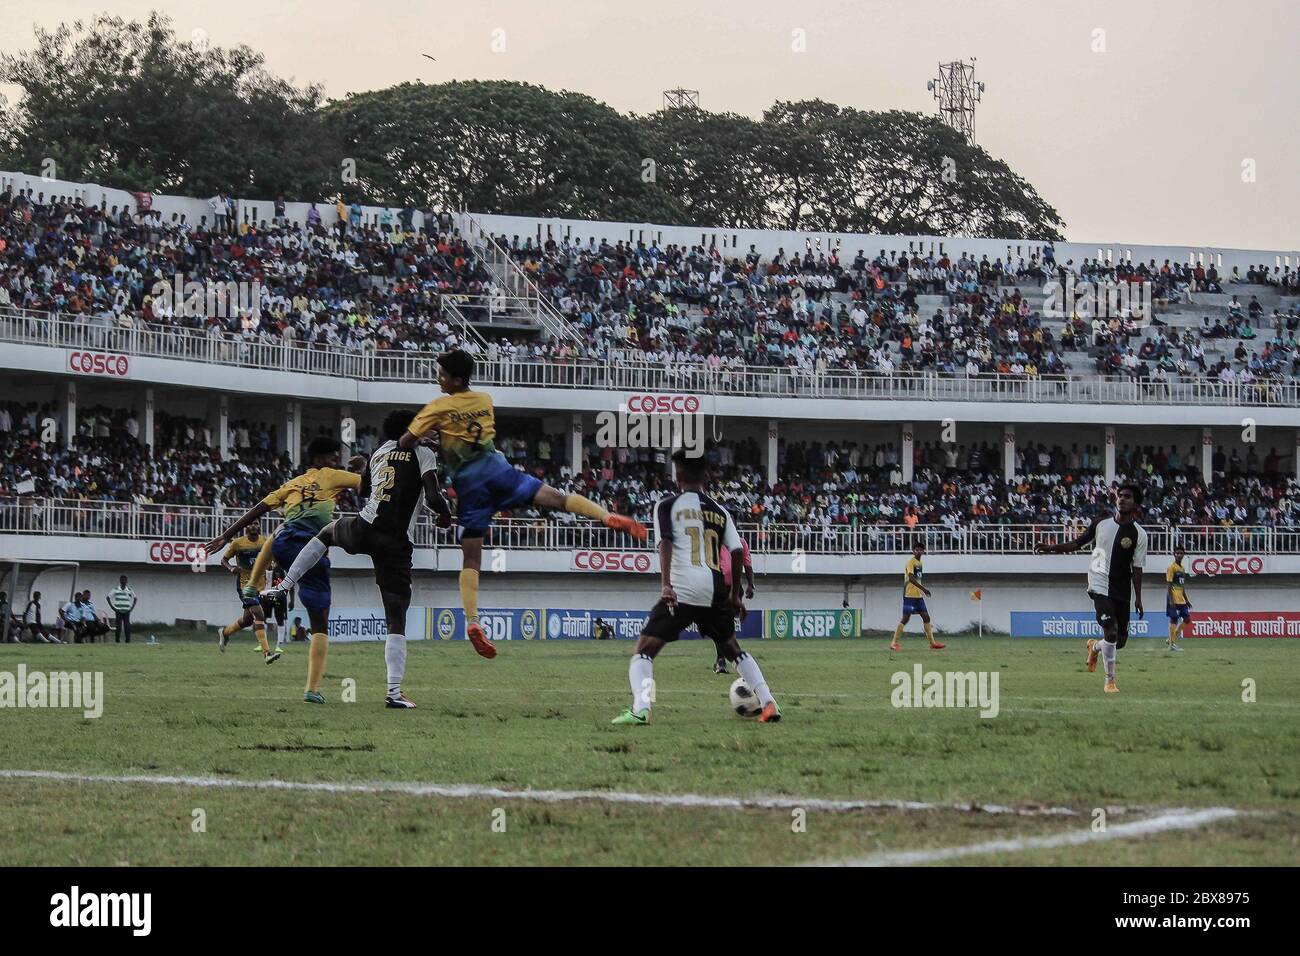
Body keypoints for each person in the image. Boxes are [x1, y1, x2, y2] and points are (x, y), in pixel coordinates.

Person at [397, 349, 646, 658]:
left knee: (472, 560)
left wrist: (429, 439)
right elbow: (471, 437)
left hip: (470, 487)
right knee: (556, 498)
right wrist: (445, 439)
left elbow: (405, 441)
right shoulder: (485, 400)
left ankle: (473, 622)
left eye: (442, 374)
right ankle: (606, 516)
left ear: (456, 379)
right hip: (498, 472)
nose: (438, 377)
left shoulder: (437, 407)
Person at [265, 409, 449, 708]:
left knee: (326, 533)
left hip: (365, 526)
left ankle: (283, 586)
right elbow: (432, 495)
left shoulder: (379, 452)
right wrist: (444, 513)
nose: (427, 432)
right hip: (396, 542)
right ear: (411, 430)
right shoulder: (423, 453)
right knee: (396, 617)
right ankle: (393, 693)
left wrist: (364, 465)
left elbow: (365, 490)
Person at [612, 447, 781, 725]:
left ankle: (642, 708)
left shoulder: (666, 506)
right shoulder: (721, 511)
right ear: (706, 475)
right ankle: (769, 703)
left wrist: (666, 584)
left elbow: (665, 542)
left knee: (644, 650)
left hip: (683, 590)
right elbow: (738, 551)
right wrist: (735, 595)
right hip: (715, 591)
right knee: (732, 649)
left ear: (677, 476)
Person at [204, 436, 364, 703]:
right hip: (311, 548)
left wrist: (225, 535)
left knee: (277, 533)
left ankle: (252, 589)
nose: (335, 461)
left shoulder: (291, 484)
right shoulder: (331, 475)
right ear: (320, 460)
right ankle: (311, 690)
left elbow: (258, 509)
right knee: (319, 620)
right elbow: (368, 484)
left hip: (284, 546)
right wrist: (362, 465)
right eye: (332, 458)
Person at [1035, 485, 1148, 694]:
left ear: (1135, 504)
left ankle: (1094, 647)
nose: (1122, 499)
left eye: (1127, 497)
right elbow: (1077, 543)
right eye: (1120, 496)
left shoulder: (1139, 535)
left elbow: (1137, 568)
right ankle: (1110, 682)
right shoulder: (1100, 523)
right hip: (1098, 584)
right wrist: (1051, 547)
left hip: (1121, 590)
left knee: (1119, 641)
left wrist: (1139, 598)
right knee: (1111, 630)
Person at [215, 524, 282, 664]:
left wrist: (272, 564)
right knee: (259, 614)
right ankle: (266, 653)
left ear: (260, 525)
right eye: (251, 524)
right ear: (246, 527)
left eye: (256, 523)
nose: (253, 526)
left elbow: (274, 559)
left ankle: (225, 633)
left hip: (260, 586)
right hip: (245, 585)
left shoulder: (265, 542)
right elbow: (223, 560)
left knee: (247, 620)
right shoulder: (238, 543)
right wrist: (231, 568)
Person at [713, 521, 755, 674]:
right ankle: (722, 659)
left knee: (725, 624)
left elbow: (748, 565)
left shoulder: (741, 542)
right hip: (717, 588)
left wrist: (751, 585)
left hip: (735, 589)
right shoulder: (714, 542)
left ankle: (724, 658)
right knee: (720, 624)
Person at [890, 541, 945, 651]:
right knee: (906, 618)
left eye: (920, 550)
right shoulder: (911, 562)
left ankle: (932, 643)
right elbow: (910, 578)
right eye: (916, 550)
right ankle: (894, 643)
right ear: (913, 551)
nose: (918, 551)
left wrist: (921, 591)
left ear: (923, 551)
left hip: (918, 596)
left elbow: (917, 578)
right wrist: (923, 589)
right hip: (909, 595)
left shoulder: (920, 563)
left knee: (926, 617)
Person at [1165, 546, 1190, 652]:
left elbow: (1182, 586)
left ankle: (1171, 638)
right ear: (1174, 554)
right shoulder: (1172, 568)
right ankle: (1172, 644)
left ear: (1184, 554)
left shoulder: (1182, 568)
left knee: (1187, 619)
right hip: (1173, 598)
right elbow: (1169, 585)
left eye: (1181, 553)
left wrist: (1187, 600)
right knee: (1174, 618)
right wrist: (1171, 600)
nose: (1179, 555)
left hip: (1181, 599)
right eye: (1177, 553)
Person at [107, 575, 138, 644]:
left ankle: (127, 641)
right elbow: (108, 597)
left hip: (127, 610)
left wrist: (132, 607)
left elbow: (135, 598)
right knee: (119, 626)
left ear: (127, 581)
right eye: (122, 580)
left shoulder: (129, 590)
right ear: (120, 581)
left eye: (125, 580)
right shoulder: (115, 589)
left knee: (127, 625)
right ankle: (117, 640)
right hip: (118, 610)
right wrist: (112, 607)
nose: (123, 581)